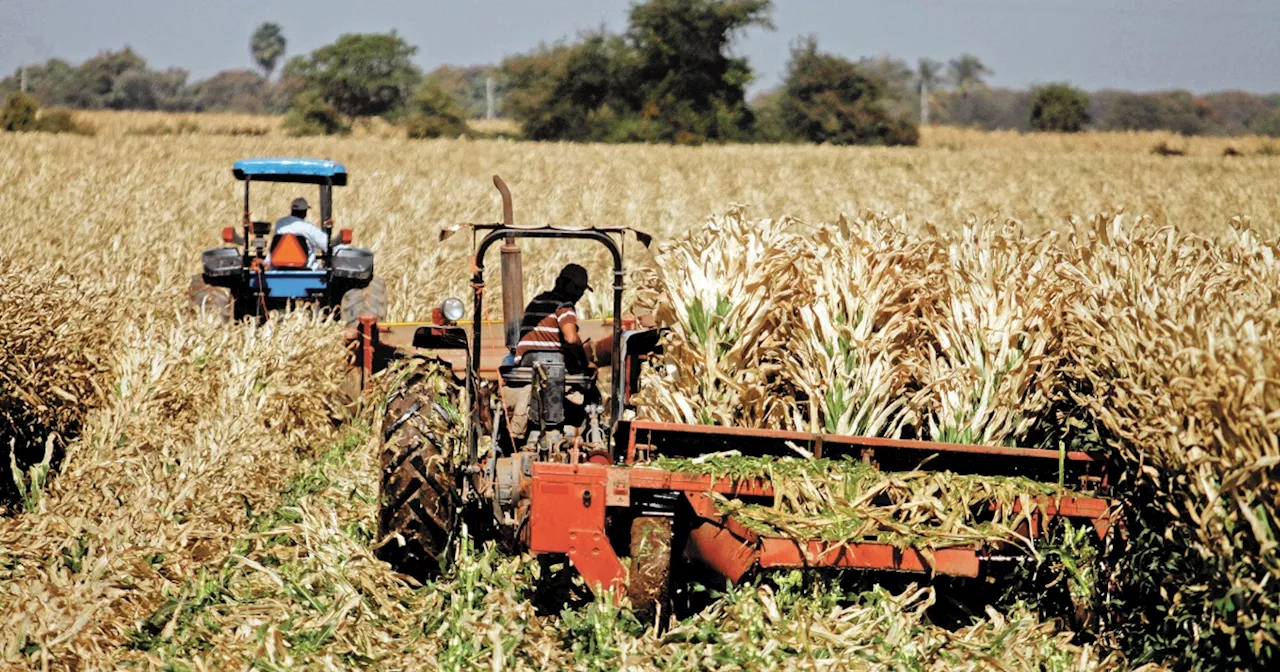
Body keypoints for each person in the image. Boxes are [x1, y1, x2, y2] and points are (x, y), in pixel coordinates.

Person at [516, 263, 595, 372]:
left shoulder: (536, 301)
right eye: (579, 289)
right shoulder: (564, 305)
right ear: (568, 285)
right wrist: (585, 361)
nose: (580, 294)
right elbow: (571, 339)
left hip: (524, 362)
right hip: (550, 363)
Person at [273, 197, 328, 268]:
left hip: (280, 267)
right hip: (307, 270)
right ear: (304, 212)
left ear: (292, 209)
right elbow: (326, 244)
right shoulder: (308, 228)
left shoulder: (280, 223)